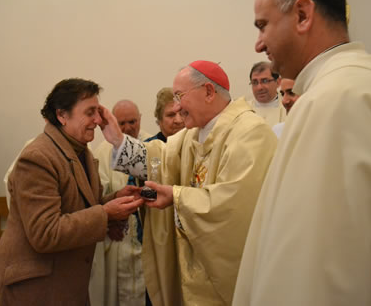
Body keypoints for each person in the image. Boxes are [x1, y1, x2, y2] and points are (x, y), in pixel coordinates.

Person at [233, 0, 371, 305]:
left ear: (303, 15)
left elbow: (321, 273)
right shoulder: (370, 80)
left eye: (263, 25)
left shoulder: (330, 102)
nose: (258, 43)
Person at [100, 61, 278, 306]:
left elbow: (234, 204)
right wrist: (119, 141)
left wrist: (175, 196)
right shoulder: (194, 134)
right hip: (194, 269)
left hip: (225, 278)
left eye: (179, 96)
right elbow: (159, 159)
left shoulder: (249, 132)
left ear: (207, 91)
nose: (176, 107)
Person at [0, 78, 144, 306]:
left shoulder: (81, 152)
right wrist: (106, 213)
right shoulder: (38, 157)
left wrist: (114, 200)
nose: (98, 121)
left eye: (98, 112)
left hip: (64, 281)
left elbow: (78, 207)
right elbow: (45, 232)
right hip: (35, 288)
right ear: (62, 115)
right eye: (90, 112)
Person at [91, 99, 151, 306]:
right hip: (119, 240)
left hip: (149, 238)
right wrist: (109, 220)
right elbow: (96, 195)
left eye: (132, 121)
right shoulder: (102, 151)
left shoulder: (152, 146)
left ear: (141, 119)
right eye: (122, 123)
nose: (127, 128)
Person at [247, 61, 286, 127]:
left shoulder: (288, 108)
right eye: (255, 82)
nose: (259, 87)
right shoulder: (244, 109)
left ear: (278, 82)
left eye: (265, 81)